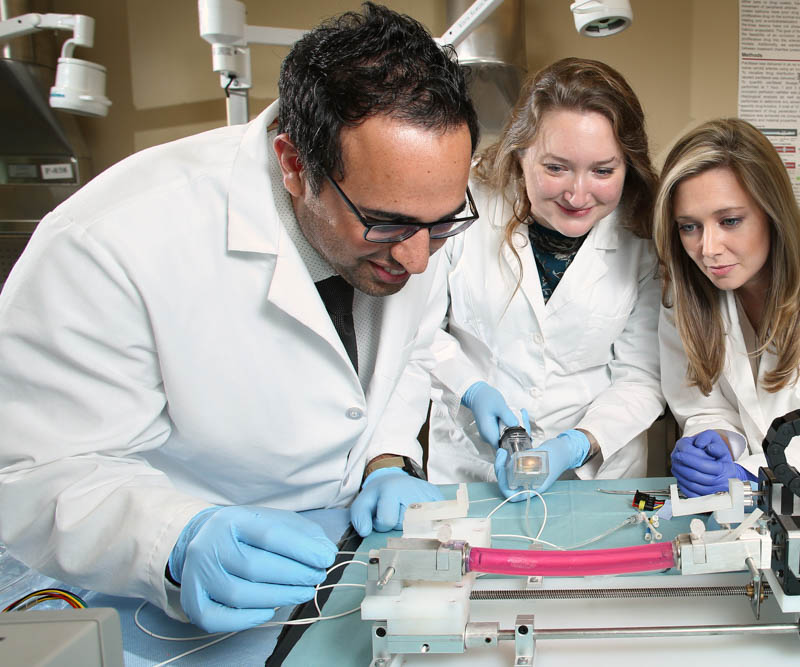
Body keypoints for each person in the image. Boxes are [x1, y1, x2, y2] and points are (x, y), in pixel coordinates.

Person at [0, 3, 477, 633]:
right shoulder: (108, 241)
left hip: (340, 560)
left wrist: (386, 460)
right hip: (164, 598)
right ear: (294, 164)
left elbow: (410, 351)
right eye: (387, 223)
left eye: (443, 223)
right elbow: (37, 469)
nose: (418, 259)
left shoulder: (412, 214)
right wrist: (175, 541)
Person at [424, 58, 662, 499]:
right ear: (520, 154)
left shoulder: (645, 236)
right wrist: (470, 388)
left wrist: (577, 444)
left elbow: (641, 376)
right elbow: (420, 330)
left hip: (597, 476)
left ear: (628, 165)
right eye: (556, 168)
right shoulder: (464, 205)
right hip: (471, 467)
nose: (577, 193)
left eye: (603, 171)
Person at [654, 118, 800, 501]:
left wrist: (749, 476)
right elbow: (707, 406)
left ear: (773, 210)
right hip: (742, 507)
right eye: (689, 227)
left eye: (730, 220)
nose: (708, 248)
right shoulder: (684, 291)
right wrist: (714, 441)